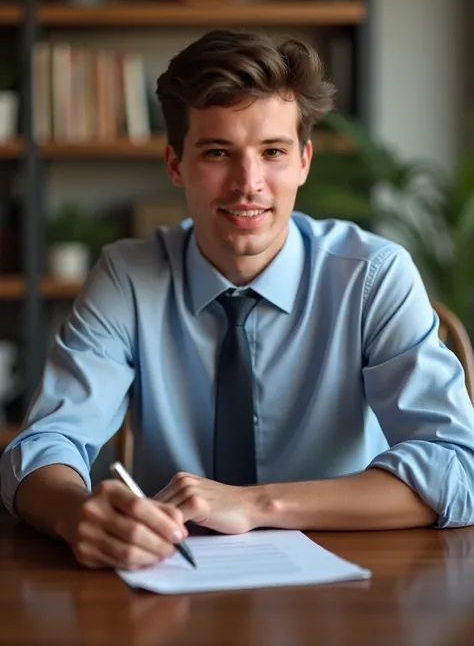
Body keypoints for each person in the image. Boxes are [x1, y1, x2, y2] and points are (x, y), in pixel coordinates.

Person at [1, 30, 474, 572]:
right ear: (175, 164)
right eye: (218, 152)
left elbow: (457, 467)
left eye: (273, 152)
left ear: (304, 161)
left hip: (350, 578)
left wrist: (256, 504)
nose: (248, 183)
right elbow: (43, 447)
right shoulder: (128, 276)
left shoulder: (374, 276)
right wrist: (77, 514)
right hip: (169, 575)